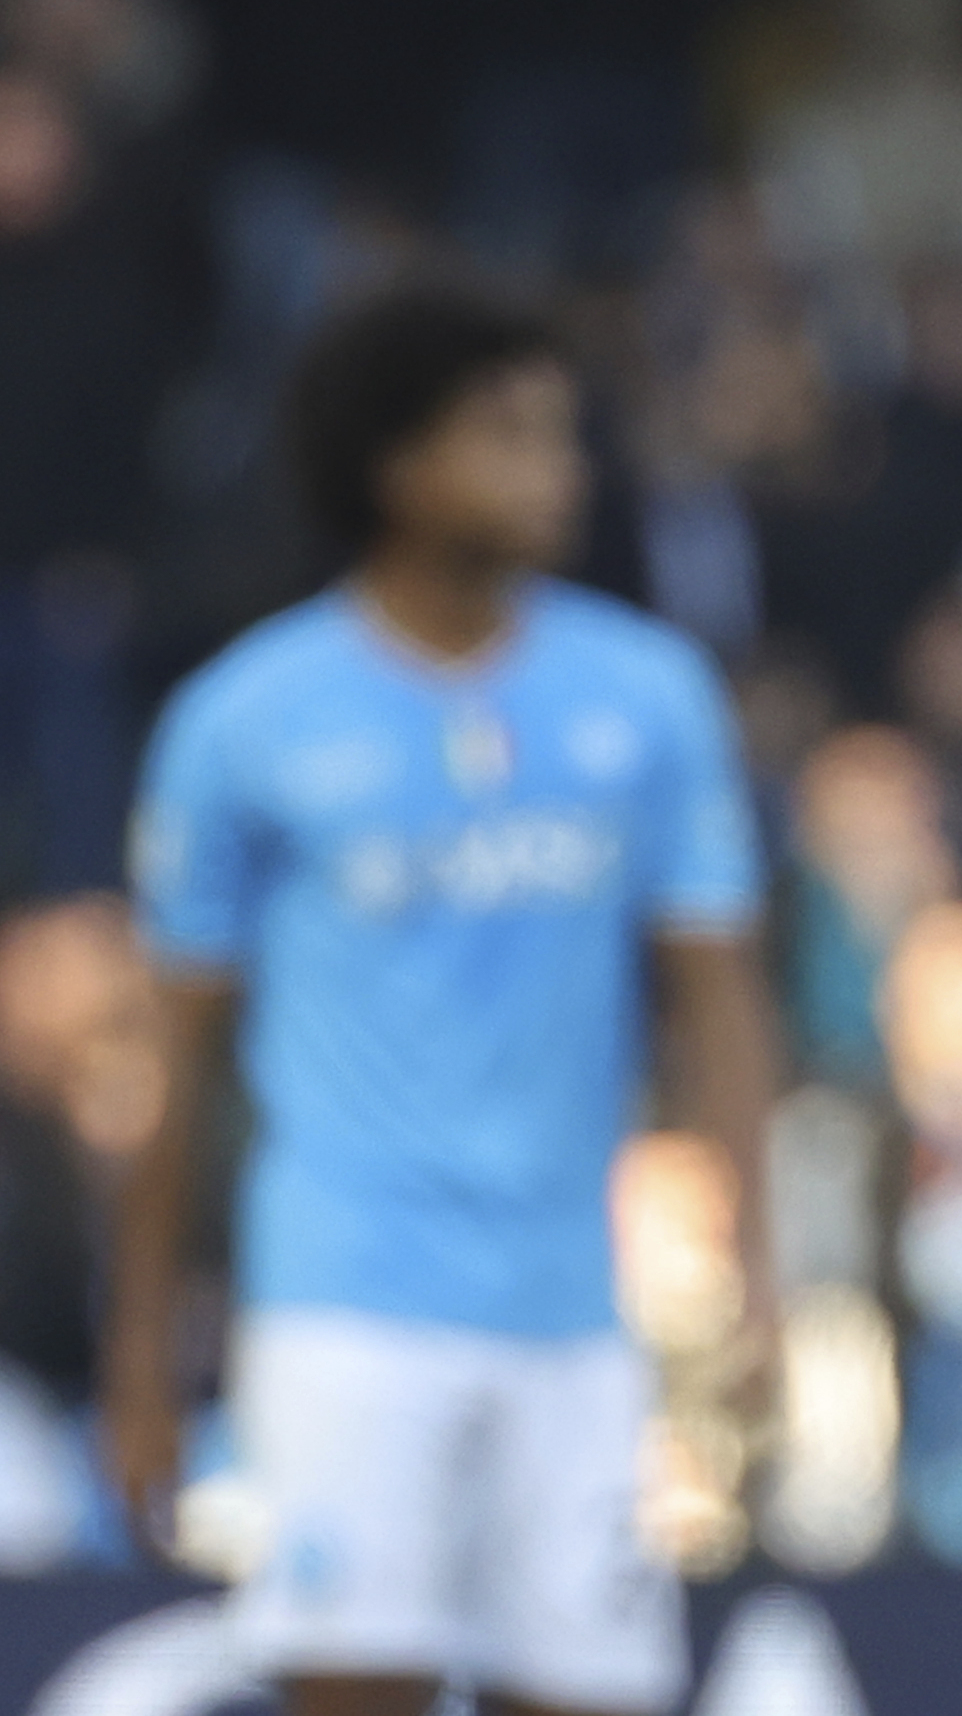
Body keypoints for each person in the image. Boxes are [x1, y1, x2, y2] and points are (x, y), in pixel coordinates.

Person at [102, 285, 779, 1716]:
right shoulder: (247, 720)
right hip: (346, 1303)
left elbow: (717, 996)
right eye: (513, 434)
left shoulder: (649, 698)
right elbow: (177, 1054)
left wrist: (753, 1275)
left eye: (562, 431)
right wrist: (141, 1348)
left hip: (572, 1307)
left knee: (593, 1689)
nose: (564, 468)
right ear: (397, 468)